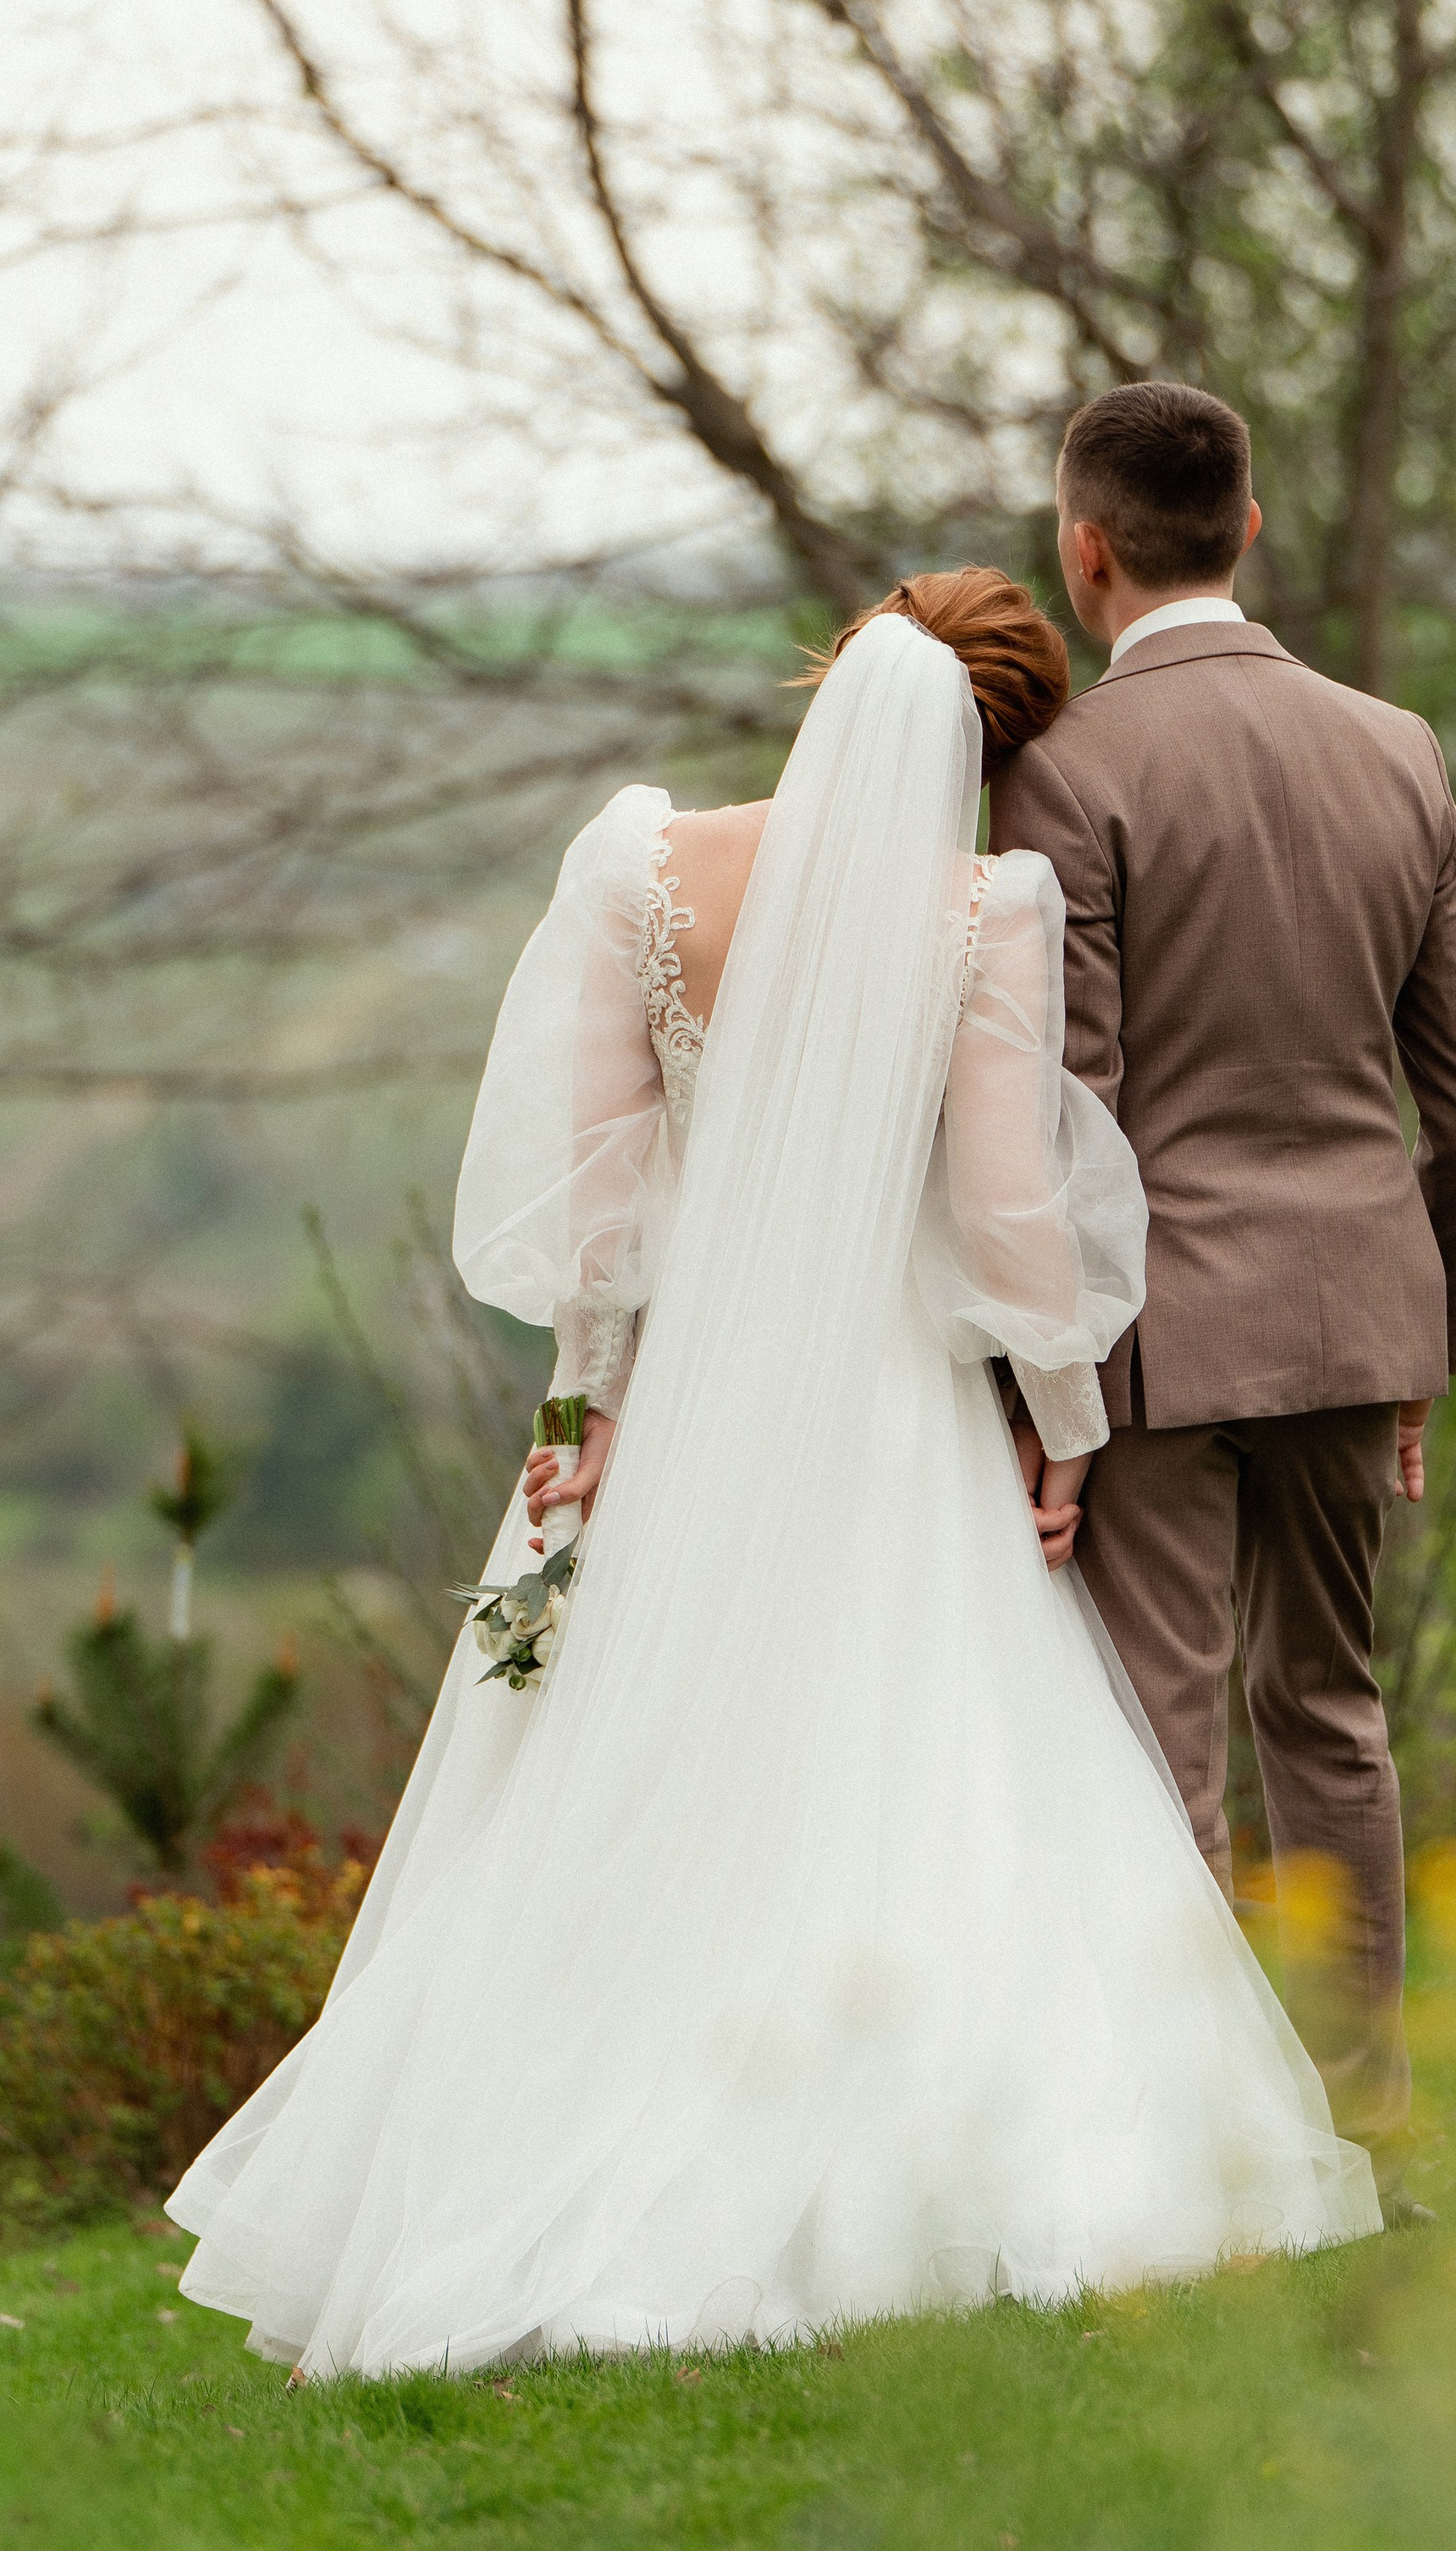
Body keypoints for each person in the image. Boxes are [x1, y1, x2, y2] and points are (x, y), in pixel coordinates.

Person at [168, 569, 1380, 2380]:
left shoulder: (641, 867)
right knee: (904, 1762)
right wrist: (1064, 1421)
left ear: (835, 682)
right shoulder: (988, 907)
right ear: (995, 747)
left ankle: (565, 2153)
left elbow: (595, 1204)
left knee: (639, 1773)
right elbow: (1009, 1212)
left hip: (682, 1404)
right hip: (890, 1409)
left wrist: (581, 1415)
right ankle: (894, 2161)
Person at [992, 387, 1456, 2167]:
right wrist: (1424, 1339)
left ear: (1084, 549)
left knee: (1159, 1731)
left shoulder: (1067, 771)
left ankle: (1197, 2159)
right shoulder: (1397, 749)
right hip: (1357, 1320)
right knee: (1331, 1719)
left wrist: (1048, 1389)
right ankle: (1361, 2123)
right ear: (1251, 527)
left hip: (1157, 1343)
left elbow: (1069, 1111)